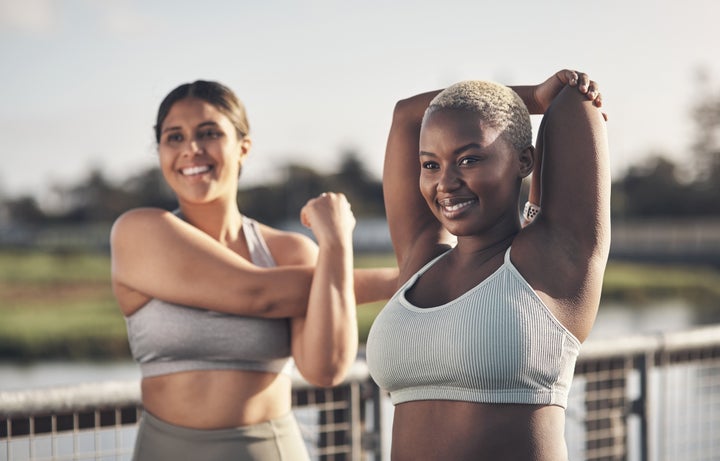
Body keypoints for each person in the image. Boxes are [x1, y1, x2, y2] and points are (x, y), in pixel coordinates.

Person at [110, 80, 397, 461]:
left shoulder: (290, 250)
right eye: (173, 137)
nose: (191, 149)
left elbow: (326, 369)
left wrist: (337, 242)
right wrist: (401, 278)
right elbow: (257, 293)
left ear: (243, 147)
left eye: (209, 133)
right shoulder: (140, 232)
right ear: (160, 150)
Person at [365, 69, 610, 460]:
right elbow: (408, 115)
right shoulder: (421, 261)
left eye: (469, 159)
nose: (445, 183)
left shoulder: (549, 259)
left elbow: (572, 102)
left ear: (524, 159)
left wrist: (546, 99)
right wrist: (530, 95)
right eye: (430, 165)